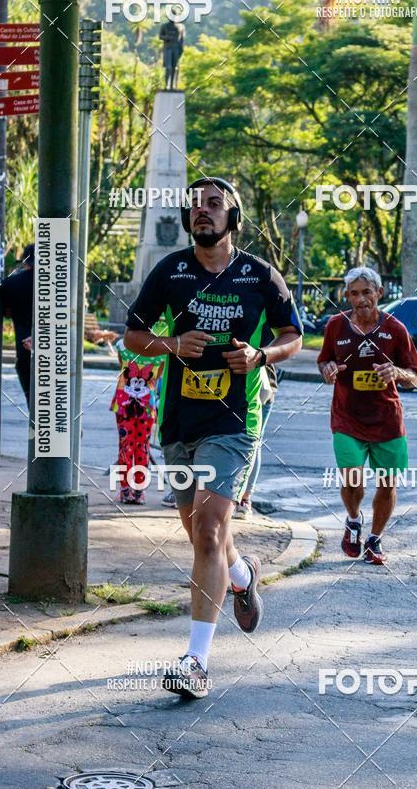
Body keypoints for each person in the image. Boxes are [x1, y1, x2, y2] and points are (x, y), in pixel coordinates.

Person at [124, 177, 302, 698]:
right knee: (204, 533)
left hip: (233, 422)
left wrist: (260, 356)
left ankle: (195, 661)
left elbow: (292, 334)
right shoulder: (171, 271)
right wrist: (171, 342)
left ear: (233, 217)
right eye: (195, 205)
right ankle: (243, 573)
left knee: (207, 529)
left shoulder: (259, 275)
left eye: (213, 203)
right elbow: (132, 335)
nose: (202, 211)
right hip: (179, 423)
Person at [317, 266, 417, 565]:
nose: (360, 299)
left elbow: (415, 375)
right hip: (346, 418)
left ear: (379, 293)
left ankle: (374, 540)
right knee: (354, 481)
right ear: (347, 296)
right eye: (354, 293)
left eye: (366, 292)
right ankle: (353, 520)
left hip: (386, 420)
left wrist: (397, 372)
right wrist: (327, 370)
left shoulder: (396, 329)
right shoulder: (336, 326)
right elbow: (324, 359)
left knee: (387, 485)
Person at [111, 337, 166, 504]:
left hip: (123, 403)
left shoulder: (122, 345)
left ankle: (126, 490)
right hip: (146, 406)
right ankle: (138, 491)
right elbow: (158, 376)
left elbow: (122, 364)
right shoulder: (161, 351)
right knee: (142, 447)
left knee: (125, 446)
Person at [234, 360, 279, 520]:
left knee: (253, 443)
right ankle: (243, 500)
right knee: (253, 443)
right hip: (259, 387)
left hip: (259, 388)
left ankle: (244, 499)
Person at [0, 243, 34, 405]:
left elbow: (5, 312)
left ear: (25, 261)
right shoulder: (58, 284)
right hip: (57, 350)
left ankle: (36, 426)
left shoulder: (11, 284)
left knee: (32, 398)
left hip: (24, 348)